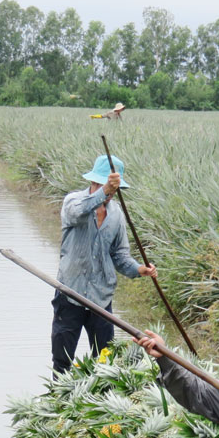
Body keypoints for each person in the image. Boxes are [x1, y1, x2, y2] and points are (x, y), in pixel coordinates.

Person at [52, 154, 156, 373]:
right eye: (103, 185)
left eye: (113, 189)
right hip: (70, 294)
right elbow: (77, 213)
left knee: (105, 361)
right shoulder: (74, 201)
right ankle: (59, 400)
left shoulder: (116, 215)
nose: (110, 193)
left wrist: (139, 269)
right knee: (62, 361)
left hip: (102, 298)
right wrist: (104, 192)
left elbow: (120, 255)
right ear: (94, 182)